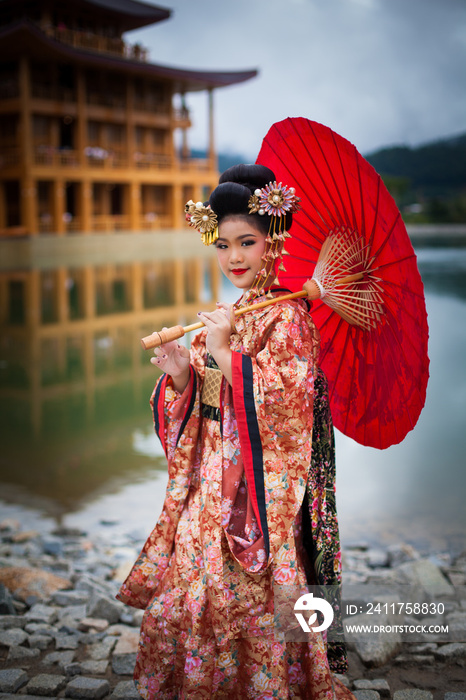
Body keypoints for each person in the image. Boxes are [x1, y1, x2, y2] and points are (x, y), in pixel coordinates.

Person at [117, 164, 354, 699]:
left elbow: (285, 406)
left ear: (274, 242)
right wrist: (182, 370)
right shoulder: (239, 309)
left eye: (247, 242)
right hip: (210, 481)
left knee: (239, 593)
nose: (234, 258)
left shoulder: (289, 317)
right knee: (194, 580)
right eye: (223, 246)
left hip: (254, 491)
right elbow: (207, 399)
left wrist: (225, 351)